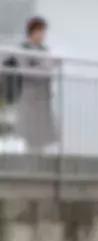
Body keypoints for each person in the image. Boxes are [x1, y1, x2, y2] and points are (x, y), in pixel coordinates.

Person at [8, 16, 57, 153]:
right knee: (29, 132)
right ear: (33, 31)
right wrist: (43, 67)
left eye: (44, 32)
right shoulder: (23, 48)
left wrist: (45, 67)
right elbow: (25, 70)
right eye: (40, 31)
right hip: (29, 94)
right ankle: (30, 162)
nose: (43, 35)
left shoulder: (44, 49)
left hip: (43, 95)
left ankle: (40, 161)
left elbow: (49, 69)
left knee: (42, 133)